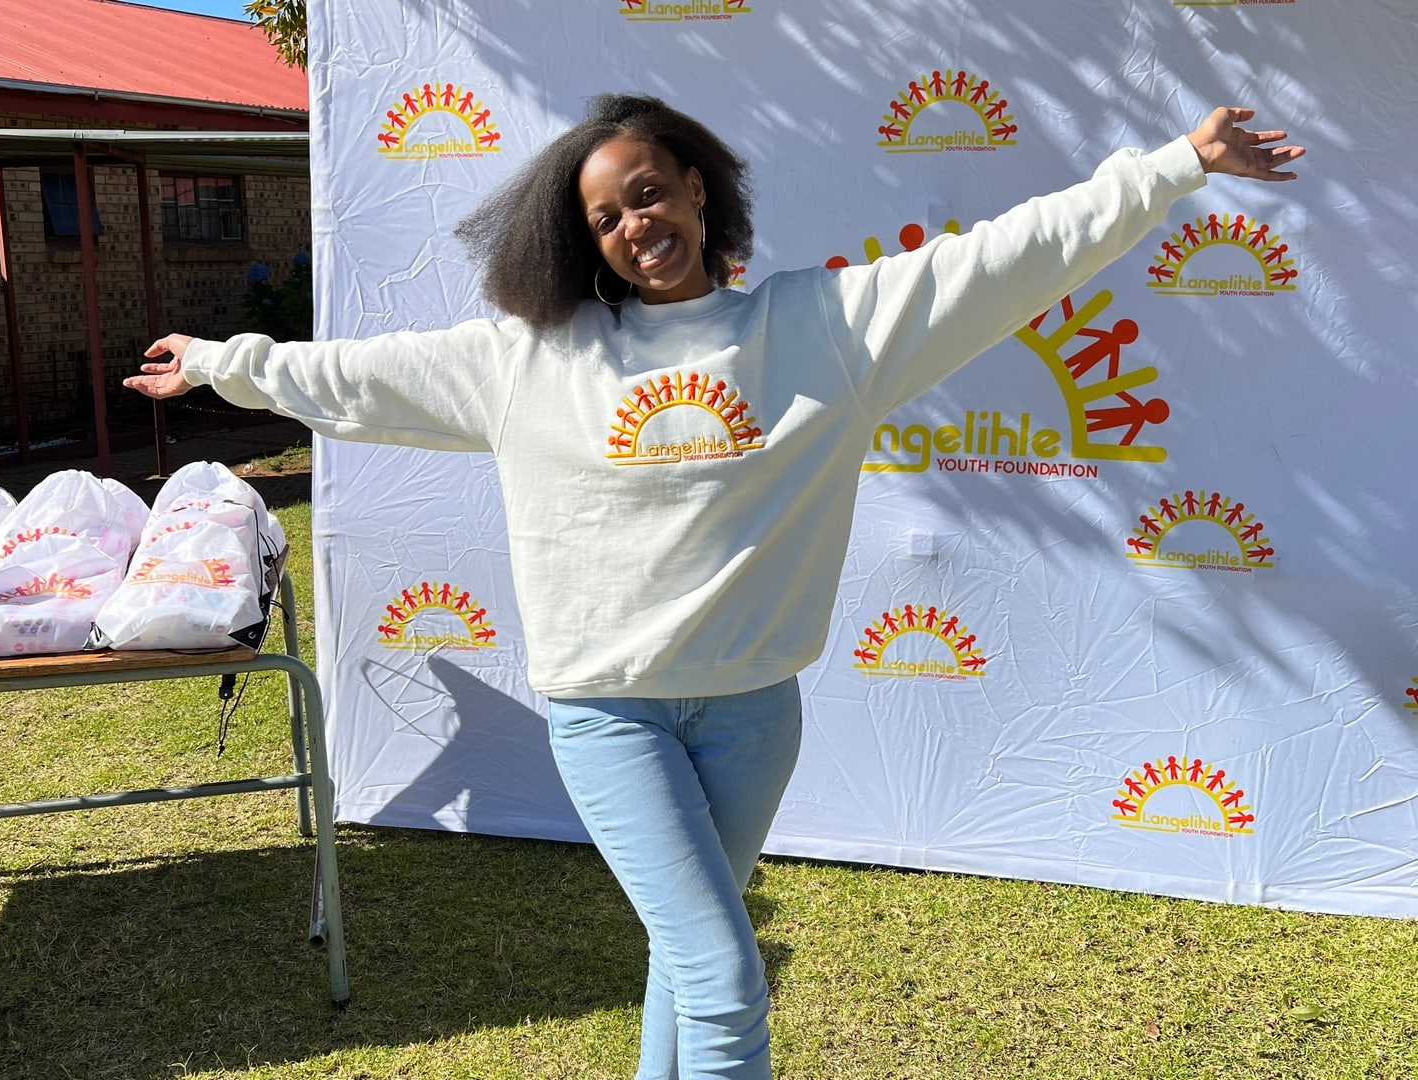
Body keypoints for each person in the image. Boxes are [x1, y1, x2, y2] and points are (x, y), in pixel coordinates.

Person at [125, 94, 1302, 1080]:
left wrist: (1175, 165)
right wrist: (225, 362)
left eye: (647, 194)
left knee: (692, 959)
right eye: (605, 217)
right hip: (609, 714)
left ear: (695, 189)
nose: (634, 224)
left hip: (752, 713)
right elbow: (359, 377)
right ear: (585, 244)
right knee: (727, 977)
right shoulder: (533, 361)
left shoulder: (819, 327)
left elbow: (1004, 258)